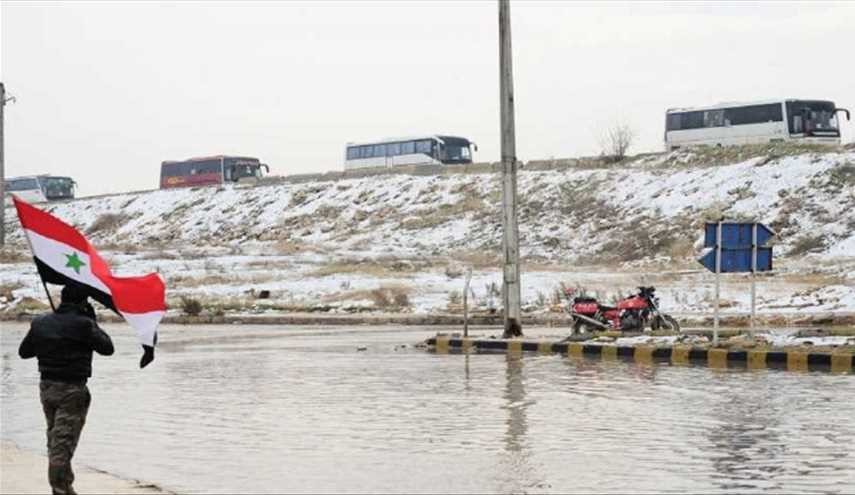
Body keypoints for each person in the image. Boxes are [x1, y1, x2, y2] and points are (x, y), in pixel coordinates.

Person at [18, 284, 114, 495]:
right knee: (62, 444)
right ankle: (61, 489)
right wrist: (92, 322)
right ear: (83, 302)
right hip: (72, 390)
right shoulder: (84, 325)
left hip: (47, 388)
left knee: (55, 438)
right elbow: (107, 348)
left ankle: (63, 486)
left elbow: (24, 352)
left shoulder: (41, 322)